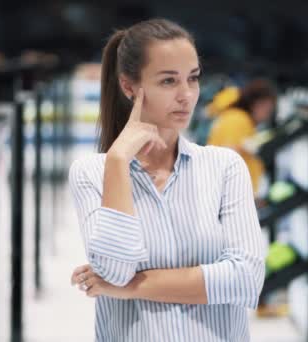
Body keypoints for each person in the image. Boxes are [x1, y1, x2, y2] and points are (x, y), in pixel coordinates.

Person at [68, 18, 266, 341]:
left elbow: (246, 279)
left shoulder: (224, 167)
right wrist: (118, 161)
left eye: (193, 79)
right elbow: (113, 270)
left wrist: (132, 287)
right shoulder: (93, 172)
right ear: (129, 86)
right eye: (168, 81)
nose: (186, 95)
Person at [206, 79, 277, 195]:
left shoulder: (237, 118)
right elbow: (228, 157)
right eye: (267, 110)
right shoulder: (238, 119)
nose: (267, 116)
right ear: (258, 104)